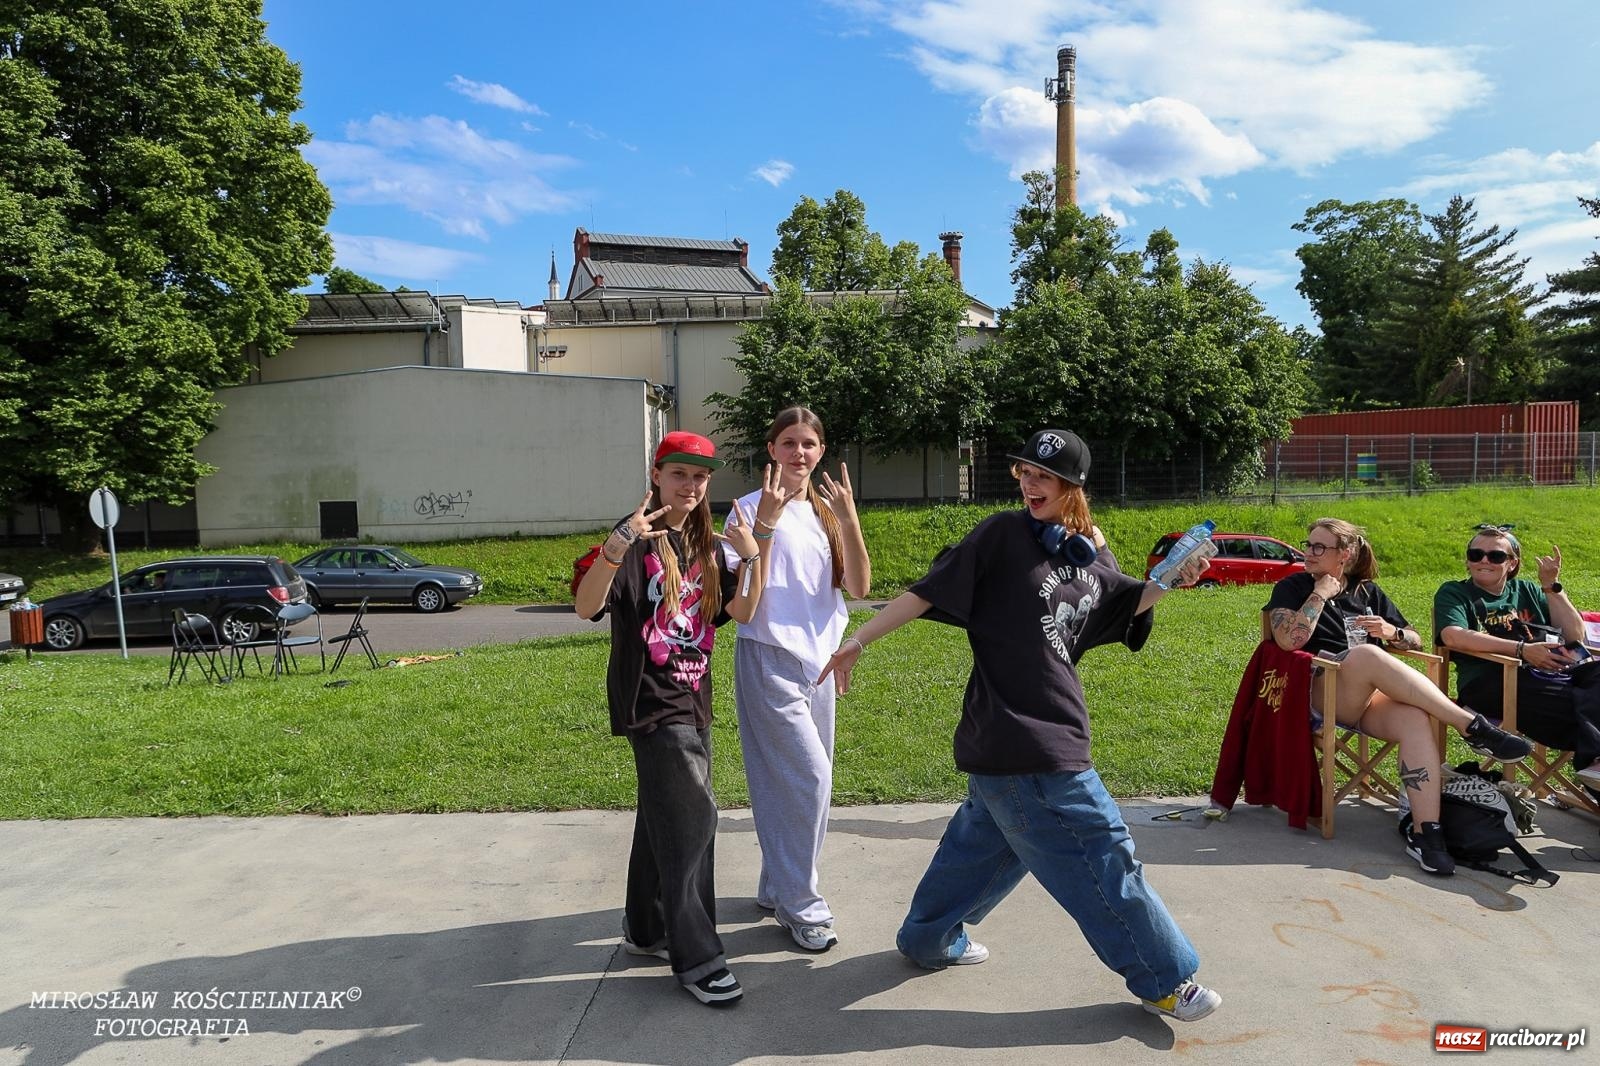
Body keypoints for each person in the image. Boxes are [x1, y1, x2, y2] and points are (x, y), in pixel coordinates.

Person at [817, 429, 1223, 1025]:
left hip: (1014, 741)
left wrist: (1167, 581)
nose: (1030, 483)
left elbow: (1120, 606)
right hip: (1030, 736)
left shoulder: (1089, 553)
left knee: (984, 848)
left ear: (1073, 487)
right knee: (1102, 852)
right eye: (1024, 472)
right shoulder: (1003, 534)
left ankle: (927, 940)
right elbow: (928, 593)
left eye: (1045, 476)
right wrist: (857, 641)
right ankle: (1166, 980)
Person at [573, 430, 778, 1007]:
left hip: (694, 699)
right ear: (656, 476)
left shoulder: (710, 547)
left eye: (700, 477)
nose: (690, 486)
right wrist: (617, 545)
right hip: (653, 701)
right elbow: (588, 605)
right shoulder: (634, 540)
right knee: (693, 820)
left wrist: (754, 551)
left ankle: (646, 927)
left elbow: (740, 609)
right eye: (679, 474)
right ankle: (698, 957)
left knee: (664, 812)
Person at [1263, 518, 1532, 876]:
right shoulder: (1293, 586)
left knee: (1415, 720)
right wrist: (1320, 594)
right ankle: (1470, 726)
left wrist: (1394, 632)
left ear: (1344, 554)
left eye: (1318, 547)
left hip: (1368, 699)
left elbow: (1416, 638)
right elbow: (1287, 641)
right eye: (1308, 544)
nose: (1307, 553)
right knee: (1368, 656)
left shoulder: (1368, 593)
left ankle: (1427, 835)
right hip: (1317, 695)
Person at [722, 407, 870, 953]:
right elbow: (743, 605)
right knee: (809, 778)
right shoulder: (743, 509)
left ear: (820, 451)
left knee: (803, 780)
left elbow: (857, 586)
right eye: (789, 443)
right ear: (771, 449)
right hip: (768, 655)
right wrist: (763, 527)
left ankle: (774, 884)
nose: (799, 453)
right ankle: (803, 905)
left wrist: (850, 519)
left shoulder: (829, 514)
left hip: (821, 662)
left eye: (809, 444)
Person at [1434, 524, 1600, 797]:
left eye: (1495, 556)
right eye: (1476, 554)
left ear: (1512, 563)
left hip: (1545, 677)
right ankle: (1594, 761)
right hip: (1489, 682)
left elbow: (1574, 635)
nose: (1484, 560)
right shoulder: (1455, 592)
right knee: (1582, 707)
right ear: (1467, 560)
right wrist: (1522, 650)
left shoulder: (1527, 590)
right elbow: (1453, 636)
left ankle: (1595, 764)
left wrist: (1551, 587)